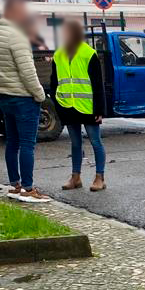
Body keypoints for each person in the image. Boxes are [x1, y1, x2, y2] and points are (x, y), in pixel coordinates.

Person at [0, 0, 49, 202]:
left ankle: (14, 184)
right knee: (27, 144)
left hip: (5, 96)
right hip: (24, 98)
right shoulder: (17, 37)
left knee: (12, 142)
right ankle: (28, 187)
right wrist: (40, 94)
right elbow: (27, 72)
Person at [50, 20, 107, 192]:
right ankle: (75, 177)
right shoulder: (58, 55)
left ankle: (100, 177)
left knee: (95, 141)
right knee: (75, 143)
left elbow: (98, 84)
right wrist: (58, 104)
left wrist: (99, 109)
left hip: (87, 106)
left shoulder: (89, 54)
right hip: (67, 106)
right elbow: (54, 83)